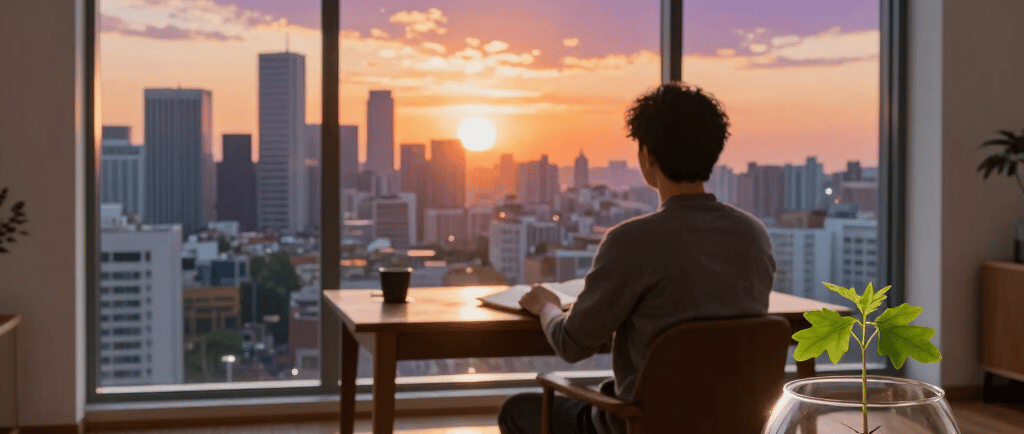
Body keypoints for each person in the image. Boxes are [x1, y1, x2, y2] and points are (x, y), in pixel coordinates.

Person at [496, 82, 776, 434]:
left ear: (648, 156)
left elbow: (571, 344)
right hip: (733, 425)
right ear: (713, 152)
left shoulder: (630, 241)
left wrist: (547, 305)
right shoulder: (754, 235)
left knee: (517, 410)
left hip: (638, 426)